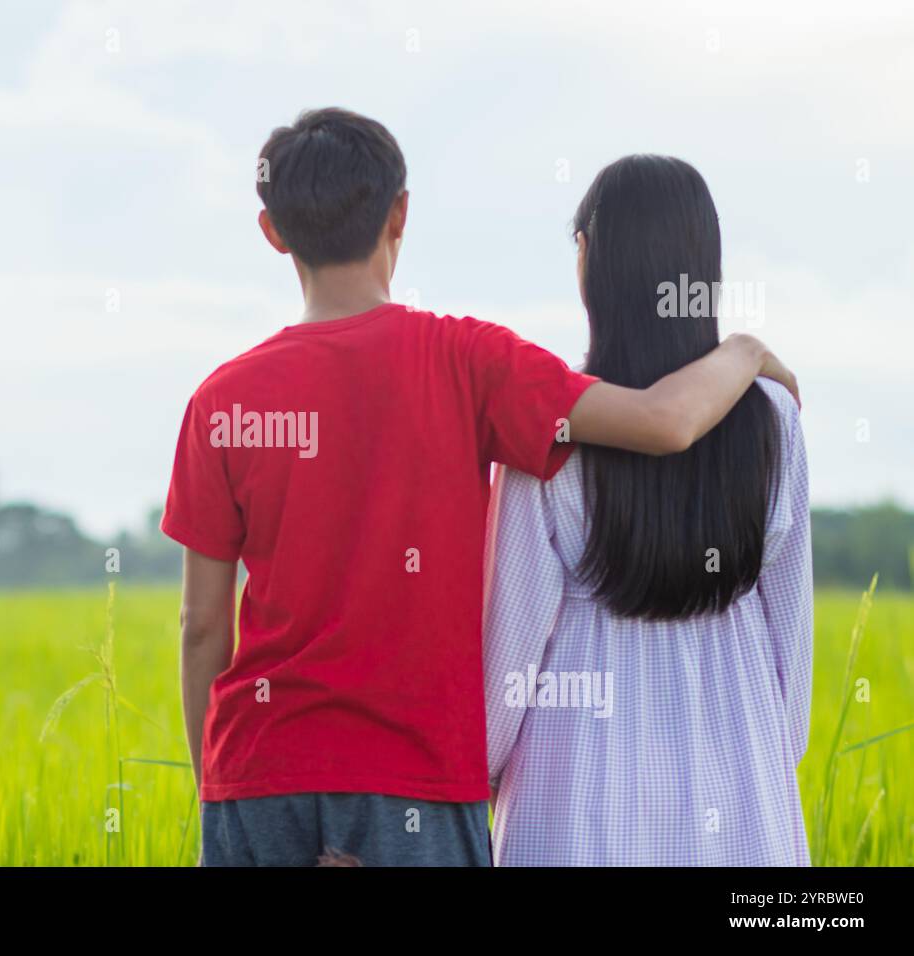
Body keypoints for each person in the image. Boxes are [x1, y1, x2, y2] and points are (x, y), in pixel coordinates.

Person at [162, 111, 798, 866]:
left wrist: (225, 788)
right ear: (400, 214)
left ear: (271, 231)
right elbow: (664, 420)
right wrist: (747, 350)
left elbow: (202, 626)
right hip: (414, 786)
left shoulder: (221, 402)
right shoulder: (472, 362)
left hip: (257, 775)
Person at [484, 155, 812, 866]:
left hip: (571, 787)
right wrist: (759, 760)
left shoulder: (550, 428)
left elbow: (508, 662)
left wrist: (481, 773)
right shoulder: (775, 417)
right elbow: (792, 647)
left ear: (588, 260)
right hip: (742, 777)